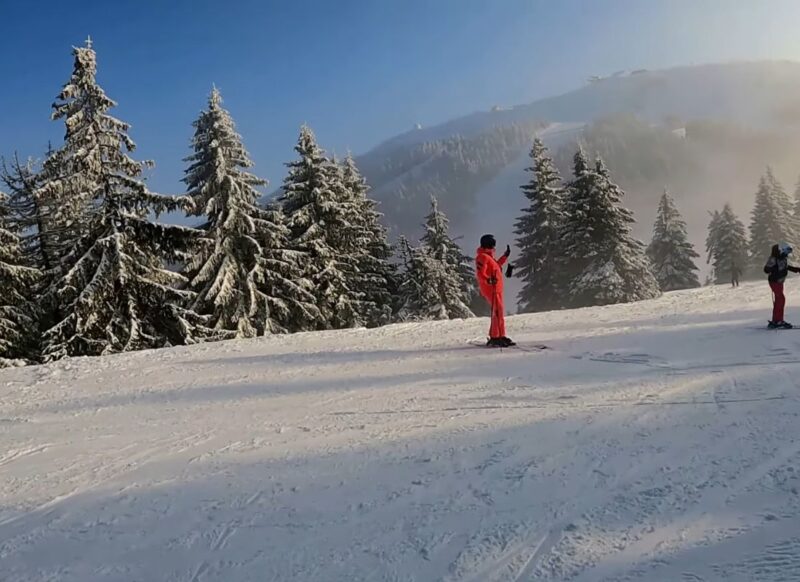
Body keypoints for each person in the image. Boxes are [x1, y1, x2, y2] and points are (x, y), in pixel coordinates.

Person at [475, 234, 515, 347]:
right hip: (491, 289)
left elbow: (497, 266)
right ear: (488, 244)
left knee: (499, 312)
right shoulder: (482, 257)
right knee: (496, 312)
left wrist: (505, 256)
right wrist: (488, 280)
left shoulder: (489, 256)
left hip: (497, 288)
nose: (494, 247)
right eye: (493, 245)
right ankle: (494, 337)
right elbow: (480, 274)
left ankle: (501, 335)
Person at [764, 242, 800, 329]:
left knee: (779, 300)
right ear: (781, 250)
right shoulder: (773, 258)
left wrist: (797, 269)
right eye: (786, 252)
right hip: (775, 281)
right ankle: (778, 321)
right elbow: (766, 269)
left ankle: (776, 320)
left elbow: (786, 267)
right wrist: (771, 269)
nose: (787, 254)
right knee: (781, 299)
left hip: (779, 282)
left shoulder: (782, 258)